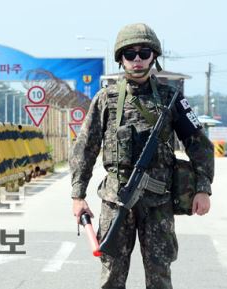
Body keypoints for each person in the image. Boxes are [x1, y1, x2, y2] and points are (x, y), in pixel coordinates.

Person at [69, 23, 214, 289]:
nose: (137, 60)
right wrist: (78, 196)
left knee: (159, 275)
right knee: (112, 275)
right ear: (120, 58)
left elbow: (199, 145)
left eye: (144, 53)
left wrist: (203, 188)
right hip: (116, 201)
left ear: (154, 56)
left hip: (158, 203)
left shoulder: (172, 99)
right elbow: (84, 148)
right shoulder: (106, 99)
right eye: (130, 54)